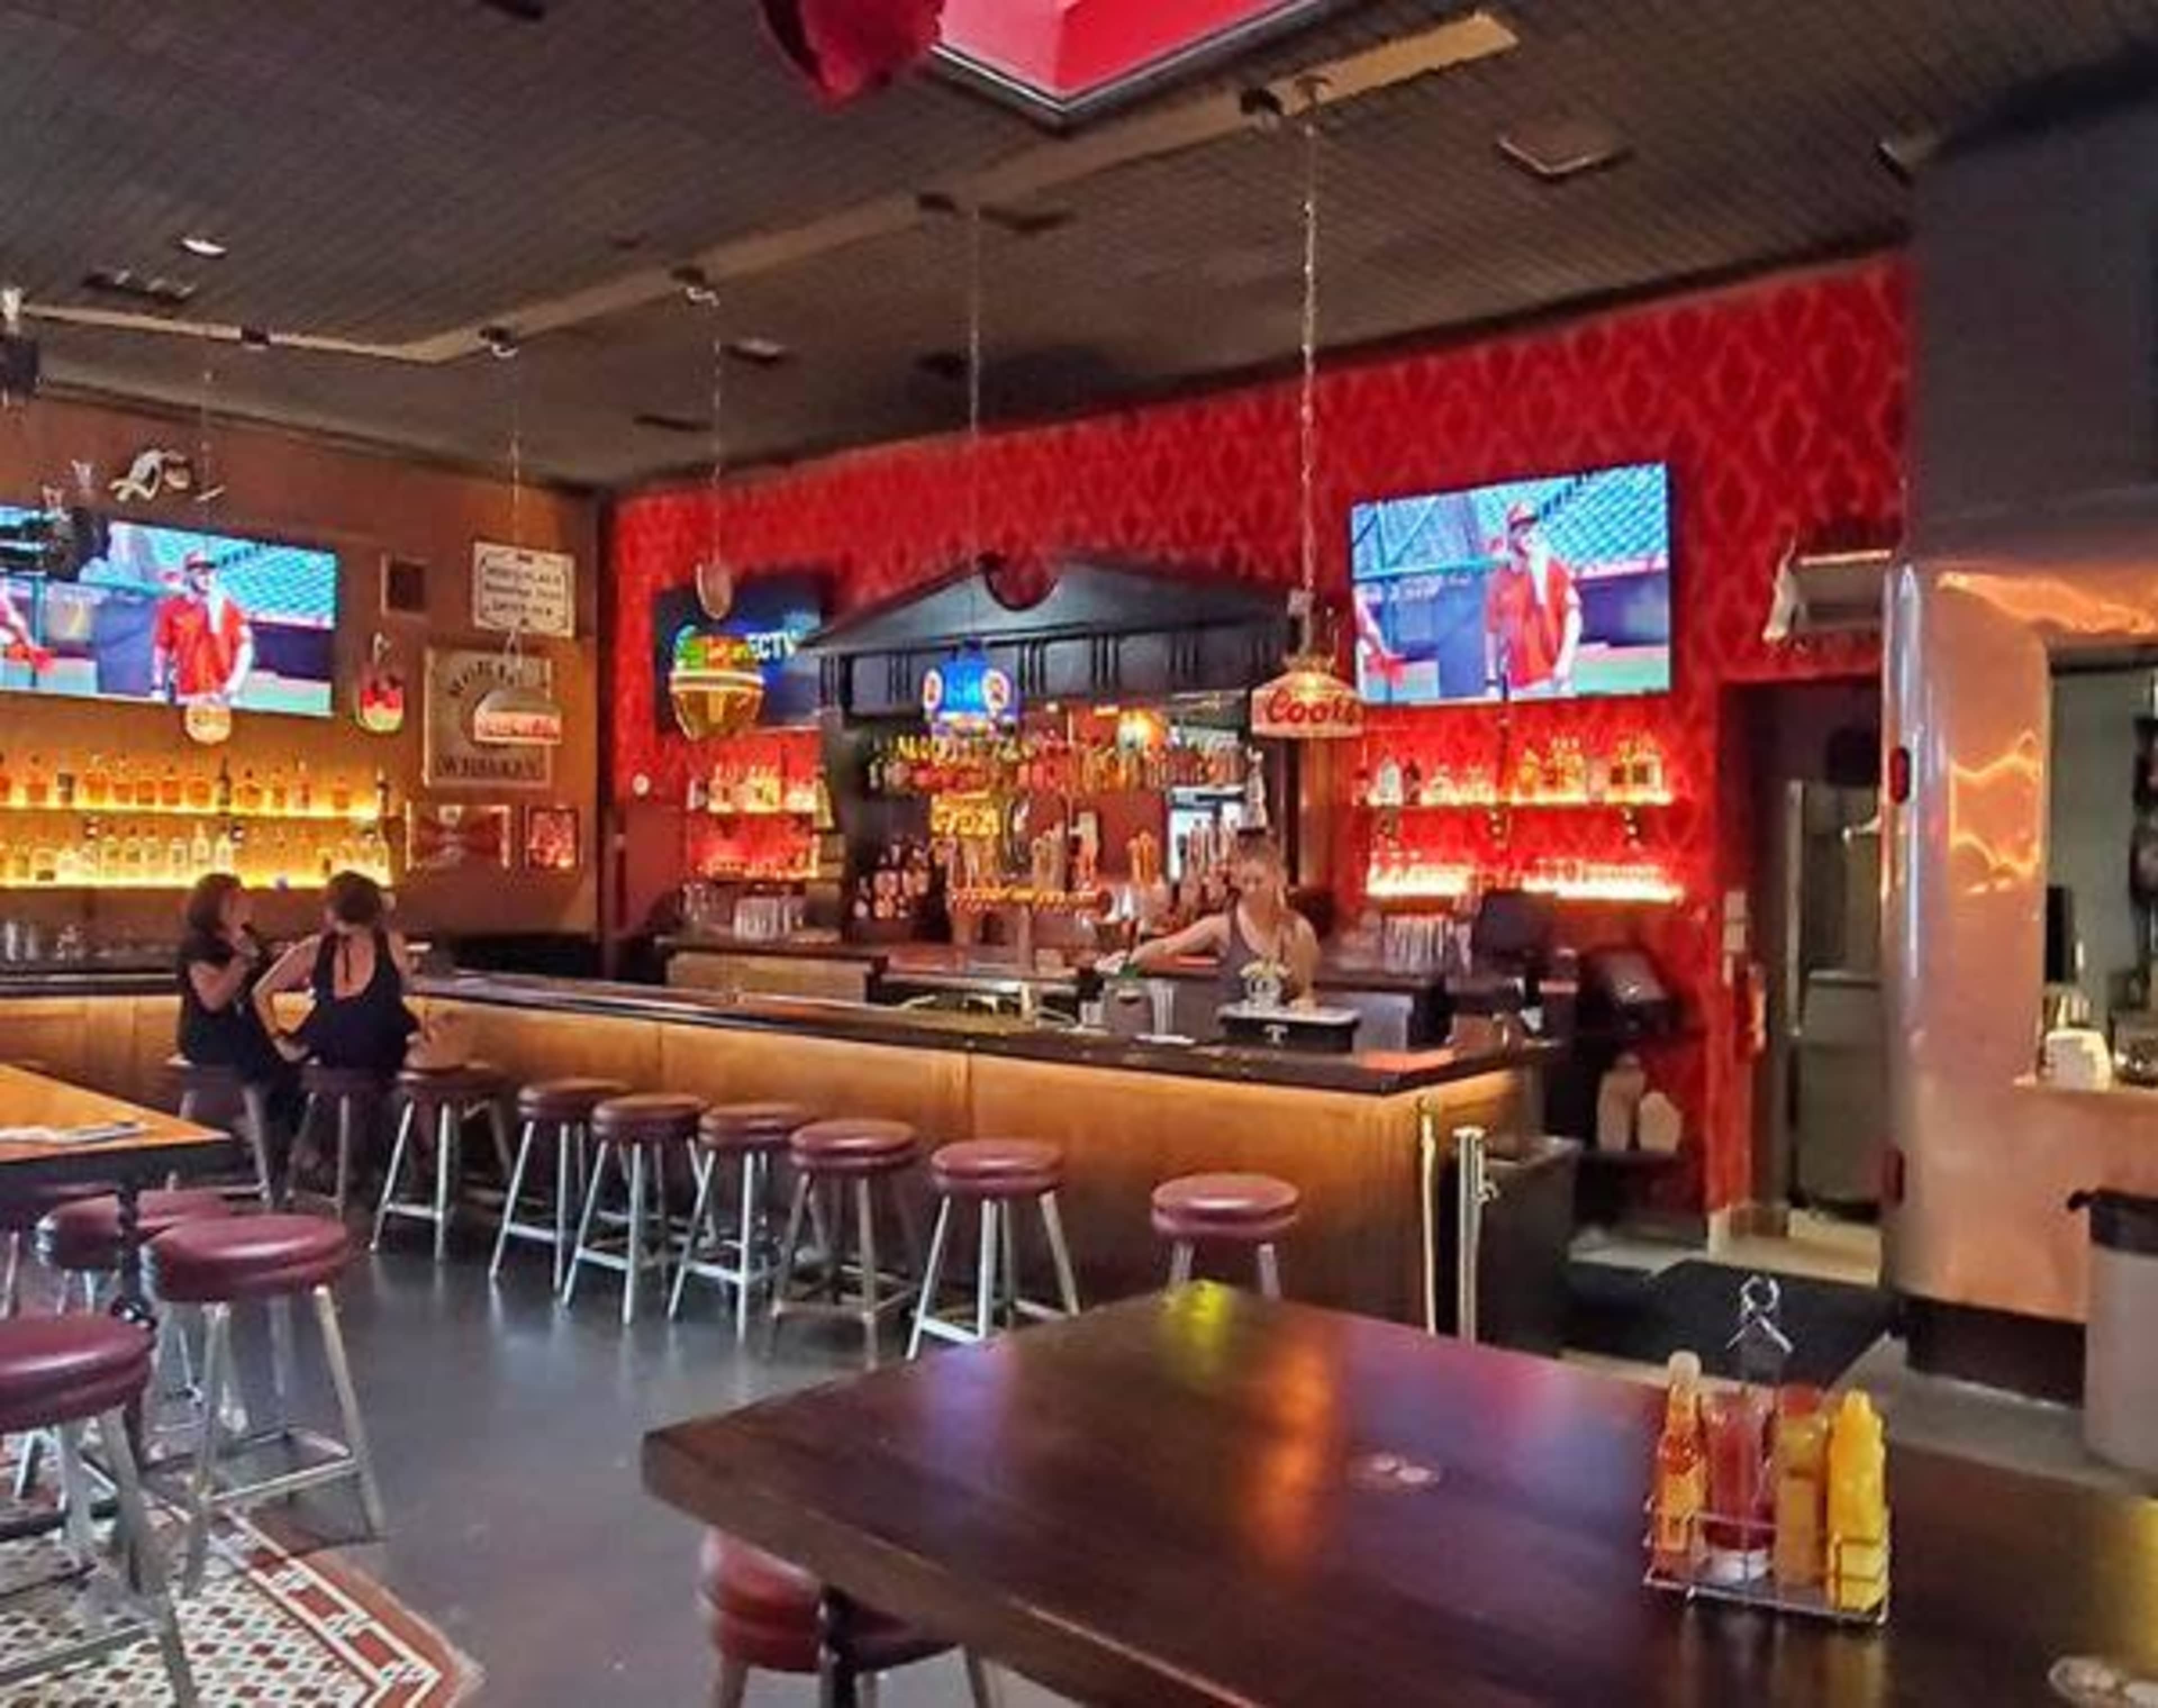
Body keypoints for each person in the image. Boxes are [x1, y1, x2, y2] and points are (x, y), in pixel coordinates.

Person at [1122, 830, 1321, 1007]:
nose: (1251, 890)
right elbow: (1168, 946)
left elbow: (1306, 992)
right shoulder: (1222, 927)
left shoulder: (1299, 930)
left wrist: (1305, 1003)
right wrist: (1129, 966)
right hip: (1235, 1039)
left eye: (1259, 882)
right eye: (1245, 882)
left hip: (1285, 1039)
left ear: (1279, 879)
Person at [253, 871, 418, 1076]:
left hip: (329, 1049)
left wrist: (278, 1039)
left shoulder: (312, 948)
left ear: (332, 911)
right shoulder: (392, 942)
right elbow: (408, 989)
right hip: (383, 1050)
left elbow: (260, 992)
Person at [176, 873, 302, 1129]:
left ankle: (272, 1130)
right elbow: (213, 1001)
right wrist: (241, 961)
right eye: (235, 898)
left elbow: (264, 983)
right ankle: (261, 1128)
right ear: (214, 907)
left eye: (244, 895)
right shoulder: (199, 945)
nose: (246, 902)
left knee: (300, 1052)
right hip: (209, 1035)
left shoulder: (250, 937)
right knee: (280, 1059)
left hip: (248, 1031)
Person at [1484, 502, 1581, 698]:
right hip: (1519, 686)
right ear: (1511, 536)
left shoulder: (1552, 567)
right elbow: (1492, 634)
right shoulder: (1498, 581)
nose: (1531, 534)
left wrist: (1566, 660)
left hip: (1555, 680)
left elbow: (1574, 616)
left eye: (1534, 529)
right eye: (1523, 530)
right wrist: (1492, 681)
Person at [152, 549, 255, 706]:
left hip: (223, 697)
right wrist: (157, 687)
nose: (207, 576)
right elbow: (161, 650)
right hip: (188, 697)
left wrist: (234, 684)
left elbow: (245, 649)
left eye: (211, 571)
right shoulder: (171, 609)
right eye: (200, 572)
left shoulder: (229, 609)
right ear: (188, 574)